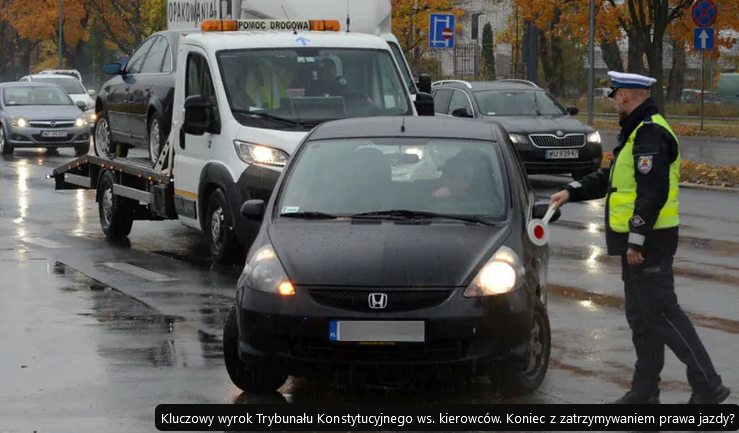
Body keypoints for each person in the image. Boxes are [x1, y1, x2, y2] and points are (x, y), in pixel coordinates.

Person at [549, 71, 730, 405]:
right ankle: (645, 390)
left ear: (624, 97)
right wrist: (570, 191)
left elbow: (653, 192)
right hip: (640, 241)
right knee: (642, 318)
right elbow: (614, 179)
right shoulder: (636, 133)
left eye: (615, 96)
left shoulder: (650, 134)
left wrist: (636, 240)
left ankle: (707, 385)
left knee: (661, 312)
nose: (615, 103)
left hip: (649, 242)